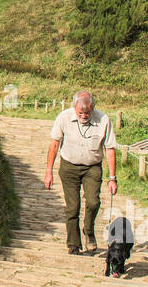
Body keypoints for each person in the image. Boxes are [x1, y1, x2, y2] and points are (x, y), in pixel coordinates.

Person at [44, 91, 118, 254]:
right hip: (69, 167)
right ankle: (73, 243)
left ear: (93, 109)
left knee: (93, 202)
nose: (84, 116)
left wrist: (112, 178)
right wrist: (49, 171)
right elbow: (54, 144)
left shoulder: (103, 119)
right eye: (80, 113)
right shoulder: (63, 118)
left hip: (92, 167)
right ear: (74, 109)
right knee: (73, 207)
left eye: (88, 113)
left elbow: (110, 149)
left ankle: (89, 232)